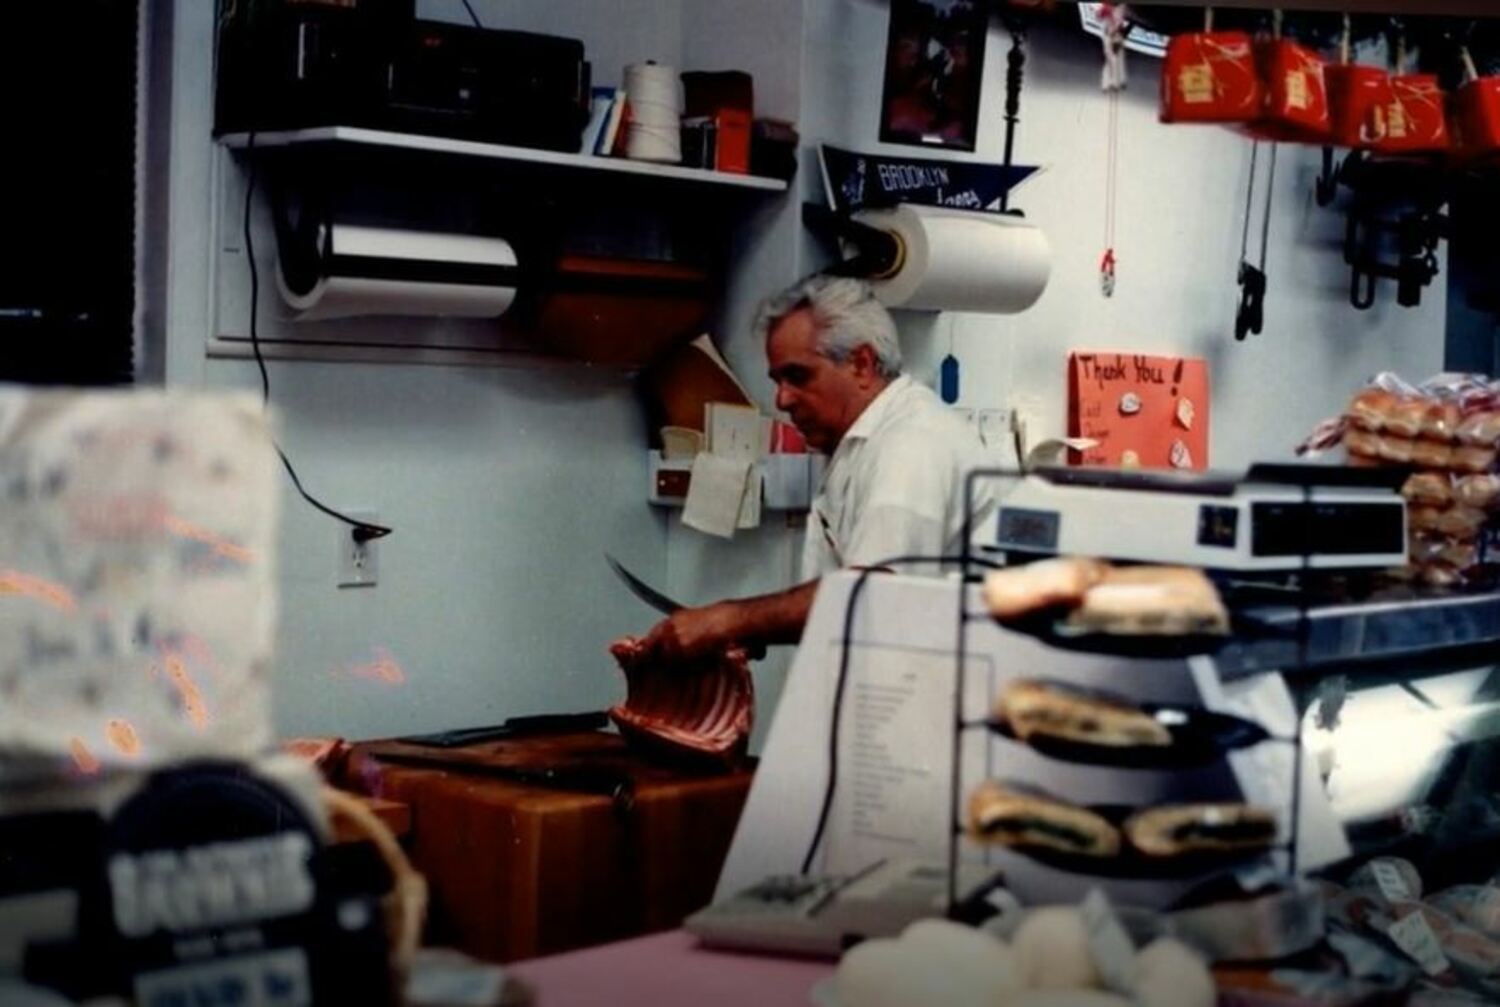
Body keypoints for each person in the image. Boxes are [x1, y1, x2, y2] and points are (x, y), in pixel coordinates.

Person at [618, 274, 996, 666]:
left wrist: (728, 620)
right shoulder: (868, 441)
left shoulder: (911, 444)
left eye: (798, 376)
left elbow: (874, 598)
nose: (781, 399)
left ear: (862, 364)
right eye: (777, 380)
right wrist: (751, 630)